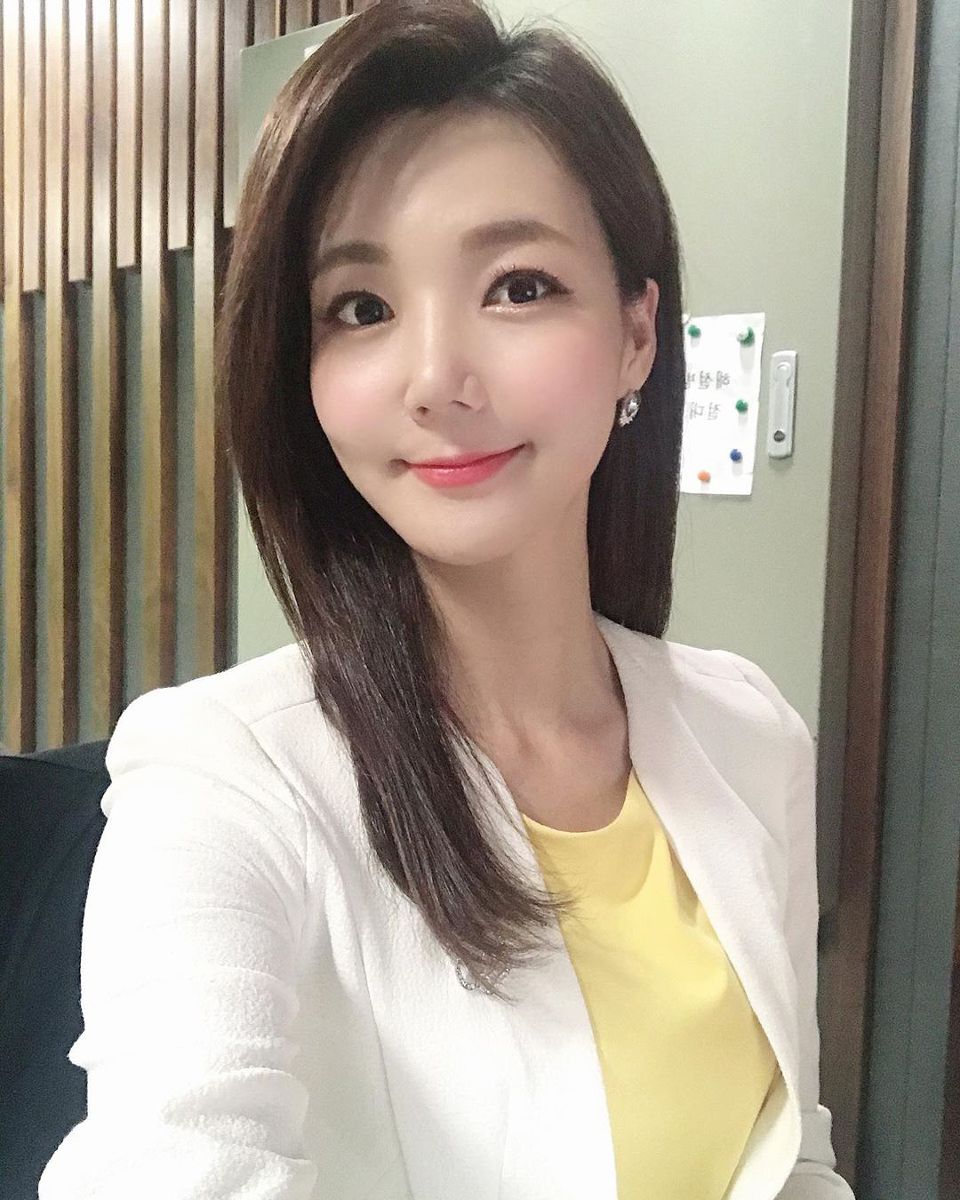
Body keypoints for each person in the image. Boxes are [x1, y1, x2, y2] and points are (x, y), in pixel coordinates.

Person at [38, 1, 854, 1197]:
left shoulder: (752, 735)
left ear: (637, 333)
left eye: (518, 286)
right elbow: (170, 1152)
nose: (433, 380)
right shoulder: (223, 777)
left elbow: (796, 1157)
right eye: (360, 309)